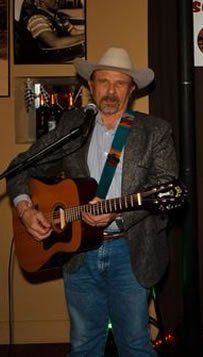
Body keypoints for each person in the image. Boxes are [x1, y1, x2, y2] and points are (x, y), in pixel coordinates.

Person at [8, 47, 177, 356]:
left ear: (131, 89)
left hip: (130, 250)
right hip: (78, 252)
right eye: (103, 81)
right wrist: (25, 208)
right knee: (83, 345)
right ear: (90, 85)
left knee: (135, 345)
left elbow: (165, 184)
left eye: (120, 83)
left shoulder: (155, 131)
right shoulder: (74, 126)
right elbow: (21, 166)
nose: (111, 91)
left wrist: (118, 215)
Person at [17, 0, 85, 63]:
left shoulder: (58, 17)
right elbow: (56, 43)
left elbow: (74, 31)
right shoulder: (37, 19)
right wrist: (85, 37)